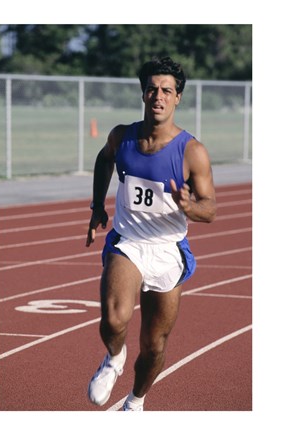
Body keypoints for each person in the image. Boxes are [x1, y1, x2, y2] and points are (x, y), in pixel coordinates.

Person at [85, 56, 216, 411]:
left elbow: (211, 208)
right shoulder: (122, 137)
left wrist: (191, 207)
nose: (158, 96)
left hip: (167, 250)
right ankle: (114, 358)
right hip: (128, 242)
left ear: (177, 98)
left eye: (167, 91)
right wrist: (98, 206)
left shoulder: (192, 152)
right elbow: (104, 159)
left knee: (155, 344)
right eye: (152, 89)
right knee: (114, 319)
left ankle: (136, 402)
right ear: (143, 95)